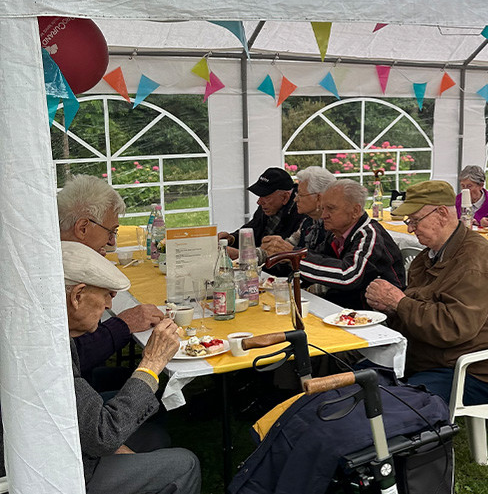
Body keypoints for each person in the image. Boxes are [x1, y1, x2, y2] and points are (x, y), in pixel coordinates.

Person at [30, 241, 200, 493]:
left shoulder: (41, 331)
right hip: (49, 471)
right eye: (107, 295)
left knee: (155, 436)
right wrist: (151, 364)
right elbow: (102, 436)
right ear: (77, 296)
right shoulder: (44, 351)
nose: (109, 306)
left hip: (54, 441)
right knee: (185, 463)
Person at [364, 181, 488, 405]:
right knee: (354, 379)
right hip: (429, 358)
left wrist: (399, 303)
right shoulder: (429, 255)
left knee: (385, 403)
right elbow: (418, 308)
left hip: (472, 369)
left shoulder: (474, 257)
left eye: (415, 220)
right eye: (409, 221)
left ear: (442, 213)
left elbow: (453, 327)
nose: (410, 229)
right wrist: (390, 308)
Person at [57, 175, 164, 377]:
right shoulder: (51, 272)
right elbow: (72, 356)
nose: (111, 243)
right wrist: (123, 324)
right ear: (82, 228)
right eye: (110, 232)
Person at [298, 179, 405, 310]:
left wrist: (297, 258)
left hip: (377, 317)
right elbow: (320, 262)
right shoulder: (335, 234)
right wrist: (285, 258)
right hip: (343, 308)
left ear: (355, 211)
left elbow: (348, 276)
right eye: (322, 208)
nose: (323, 215)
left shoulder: (369, 234)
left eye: (331, 209)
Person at [217, 167, 306, 259]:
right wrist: (232, 239)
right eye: (260, 196)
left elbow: (282, 258)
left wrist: (242, 255)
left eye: (265, 196)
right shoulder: (268, 206)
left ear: (284, 197)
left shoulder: (301, 212)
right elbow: (253, 228)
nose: (259, 202)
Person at [259, 166, 335, 265]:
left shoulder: (334, 227)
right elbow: (288, 245)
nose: (295, 199)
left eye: (300, 195)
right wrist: (271, 248)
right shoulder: (308, 222)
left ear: (318, 198)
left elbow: (327, 265)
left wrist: (293, 252)